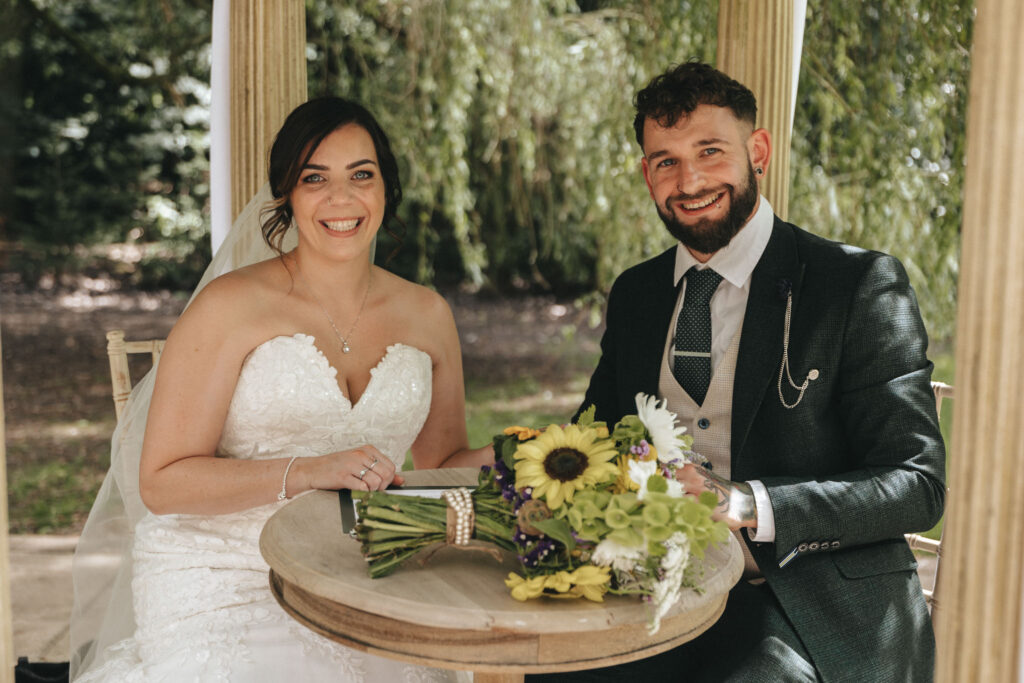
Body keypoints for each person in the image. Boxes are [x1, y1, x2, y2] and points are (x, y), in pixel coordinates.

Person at [542, 62, 946, 681]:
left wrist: (748, 504)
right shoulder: (637, 293)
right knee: (543, 669)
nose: (690, 179)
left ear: (756, 150)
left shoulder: (854, 285)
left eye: (710, 151)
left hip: (807, 603)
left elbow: (916, 485)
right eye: (666, 161)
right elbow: (593, 441)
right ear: (647, 175)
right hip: (652, 590)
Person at [70, 97, 486, 681]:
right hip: (225, 572)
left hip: (362, 568)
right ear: (287, 194)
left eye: (360, 176)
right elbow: (161, 482)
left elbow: (441, 463)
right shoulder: (231, 307)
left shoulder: (427, 313)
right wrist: (309, 470)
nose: (341, 200)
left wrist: (537, 451)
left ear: (386, 189)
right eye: (315, 178)